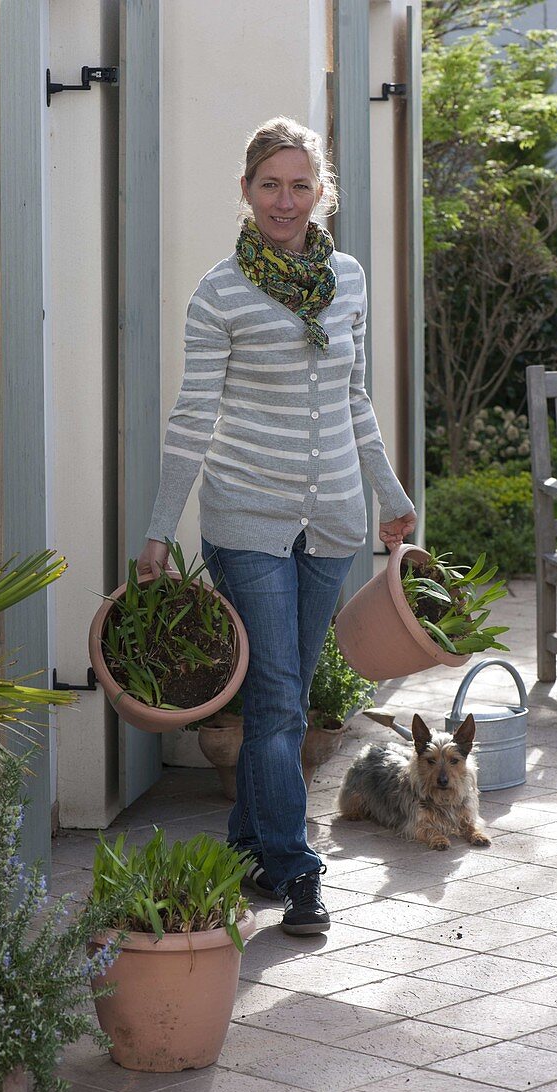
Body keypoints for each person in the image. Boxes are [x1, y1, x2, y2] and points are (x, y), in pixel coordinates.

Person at [138, 117, 416, 936]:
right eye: (269, 185)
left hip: (332, 516)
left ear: (321, 192)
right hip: (246, 516)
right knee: (279, 703)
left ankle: (249, 847)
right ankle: (297, 871)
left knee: (285, 699)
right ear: (247, 191)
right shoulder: (220, 292)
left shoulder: (351, 280)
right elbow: (193, 418)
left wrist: (390, 495)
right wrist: (160, 528)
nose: (284, 201)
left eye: (300, 185)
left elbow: (355, 396)